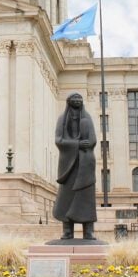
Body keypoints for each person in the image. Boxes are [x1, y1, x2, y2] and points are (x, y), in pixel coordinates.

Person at [52, 92, 97, 240]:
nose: (77, 100)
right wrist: (77, 144)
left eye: (80, 98)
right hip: (68, 165)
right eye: (74, 98)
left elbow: (93, 140)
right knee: (67, 197)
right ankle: (67, 231)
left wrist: (86, 145)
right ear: (69, 101)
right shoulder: (61, 120)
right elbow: (59, 140)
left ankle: (88, 231)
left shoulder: (87, 119)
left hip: (85, 163)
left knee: (86, 198)